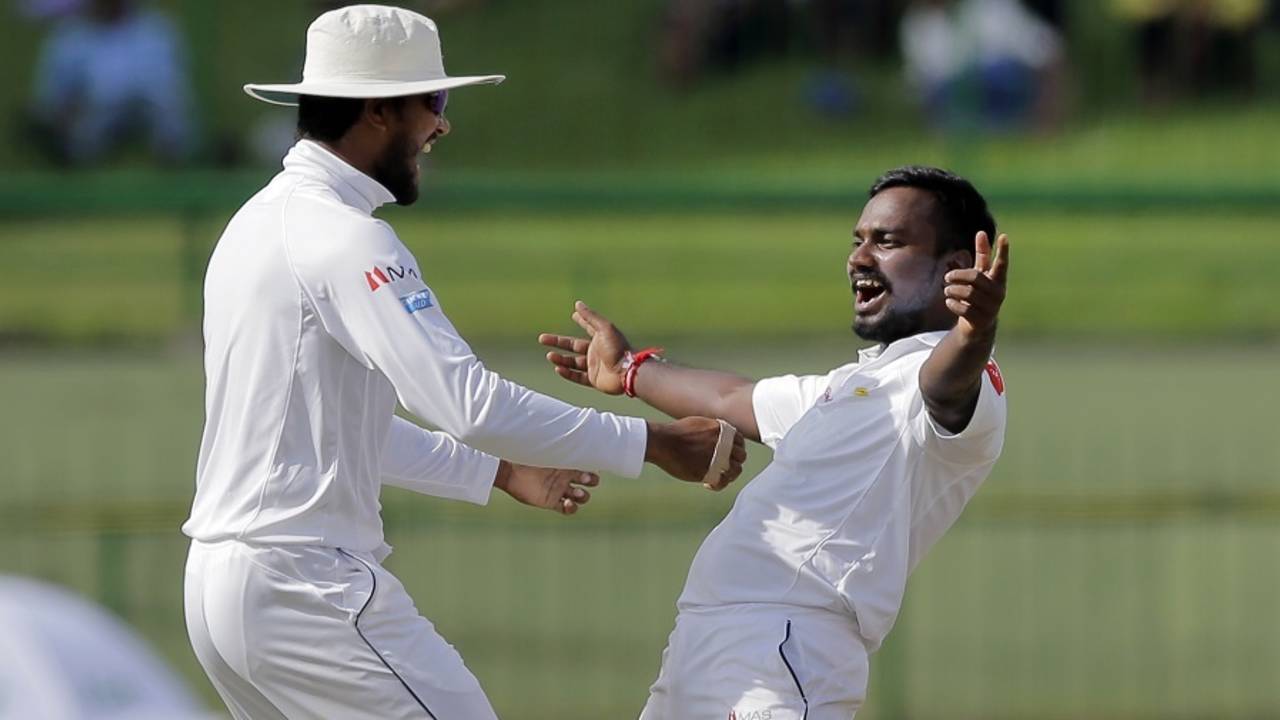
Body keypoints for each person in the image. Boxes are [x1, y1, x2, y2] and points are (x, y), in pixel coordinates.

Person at [181, 6, 745, 720]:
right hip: (304, 585)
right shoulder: (348, 238)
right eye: (434, 102)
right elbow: (466, 402)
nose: (442, 125)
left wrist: (501, 472)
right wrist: (654, 443)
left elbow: (351, 429)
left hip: (220, 590)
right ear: (379, 109)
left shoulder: (254, 225)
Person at [540, 166, 1010, 718]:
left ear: (954, 267)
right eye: (858, 241)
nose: (860, 258)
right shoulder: (851, 386)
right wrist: (627, 369)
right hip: (704, 644)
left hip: (785, 646)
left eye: (887, 241)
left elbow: (947, 387)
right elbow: (731, 399)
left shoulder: (959, 381)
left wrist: (976, 331)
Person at [28, 0, 194, 165]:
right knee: (83, 130)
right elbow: (53, 103)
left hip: (147, 111)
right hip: (93, 117)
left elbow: (173, 90)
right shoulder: (69, 37)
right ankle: (74, 169)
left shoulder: (157, 30)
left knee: (167, 117)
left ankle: (173, 171)